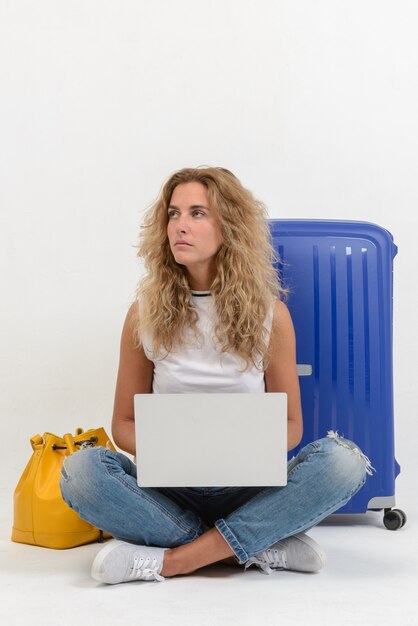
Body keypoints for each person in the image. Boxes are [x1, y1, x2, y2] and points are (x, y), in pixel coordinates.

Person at [60, 166, 372, 584]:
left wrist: (236, 447)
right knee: (80, 472)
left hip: (248, 487)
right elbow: (123, 424)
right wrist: (183, 447)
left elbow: (292, 426)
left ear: (230, 226)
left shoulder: (271, 315)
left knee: (343, 462)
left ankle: (175, 560)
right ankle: (251, 546)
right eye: (173, 214)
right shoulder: (143, 315)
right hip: (169, 490)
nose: (179, 227)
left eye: (197, 213)